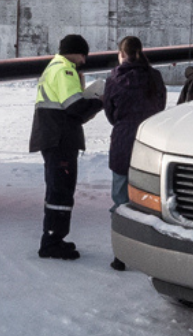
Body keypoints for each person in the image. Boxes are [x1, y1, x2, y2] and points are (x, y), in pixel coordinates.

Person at [29, 34, 103, 260]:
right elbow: (75, 106)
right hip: (60, 139)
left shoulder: (53, 67)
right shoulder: (65, 70)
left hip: (52, 137)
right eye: (83, 55)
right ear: (77, 52)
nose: (84, 61)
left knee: (56, 188)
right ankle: (52, 242)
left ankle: (54, 237)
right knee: (61, 190)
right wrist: (99, 100)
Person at [101, 36, 166, 271]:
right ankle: (148, 252)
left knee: (120, 199)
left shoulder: (114, 78)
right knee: (148, 199)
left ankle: (121, 254)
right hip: (149, 144)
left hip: (122, 142)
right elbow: (161, 108)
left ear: (121, 53)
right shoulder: (155, 77)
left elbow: (110, 113)